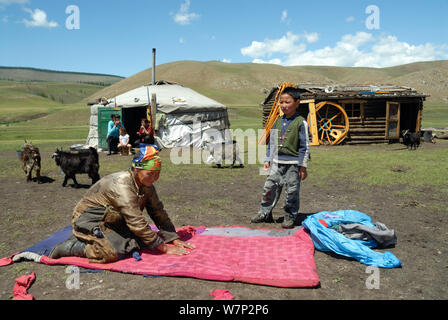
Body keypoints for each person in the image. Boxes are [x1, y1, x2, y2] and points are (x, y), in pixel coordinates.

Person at [49, 144, 196, 263]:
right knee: (112, 252)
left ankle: (101, 238)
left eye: (158, 173)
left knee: (138, 242)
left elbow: (158, 212)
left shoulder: (146, 185)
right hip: (89, 220)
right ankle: (70, 247)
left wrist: (173, 238)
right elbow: (136, 221)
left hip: (114, 220)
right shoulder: (122, 185)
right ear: (137, 169)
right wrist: (164, 248)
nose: (155, 178)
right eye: (150, 173)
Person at [251, 87, 310, 228]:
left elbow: (304, 146)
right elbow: (272, 143)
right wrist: (267, 159)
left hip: (293, 165)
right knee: (269, 188)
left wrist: (303, 166)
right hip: (276, 163)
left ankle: (290, 216)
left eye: (287, 102)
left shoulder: (301, 122)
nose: (283, 105)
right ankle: (265, 213)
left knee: (291, 192)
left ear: (297, 103)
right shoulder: (277, 121)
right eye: (281, 102)